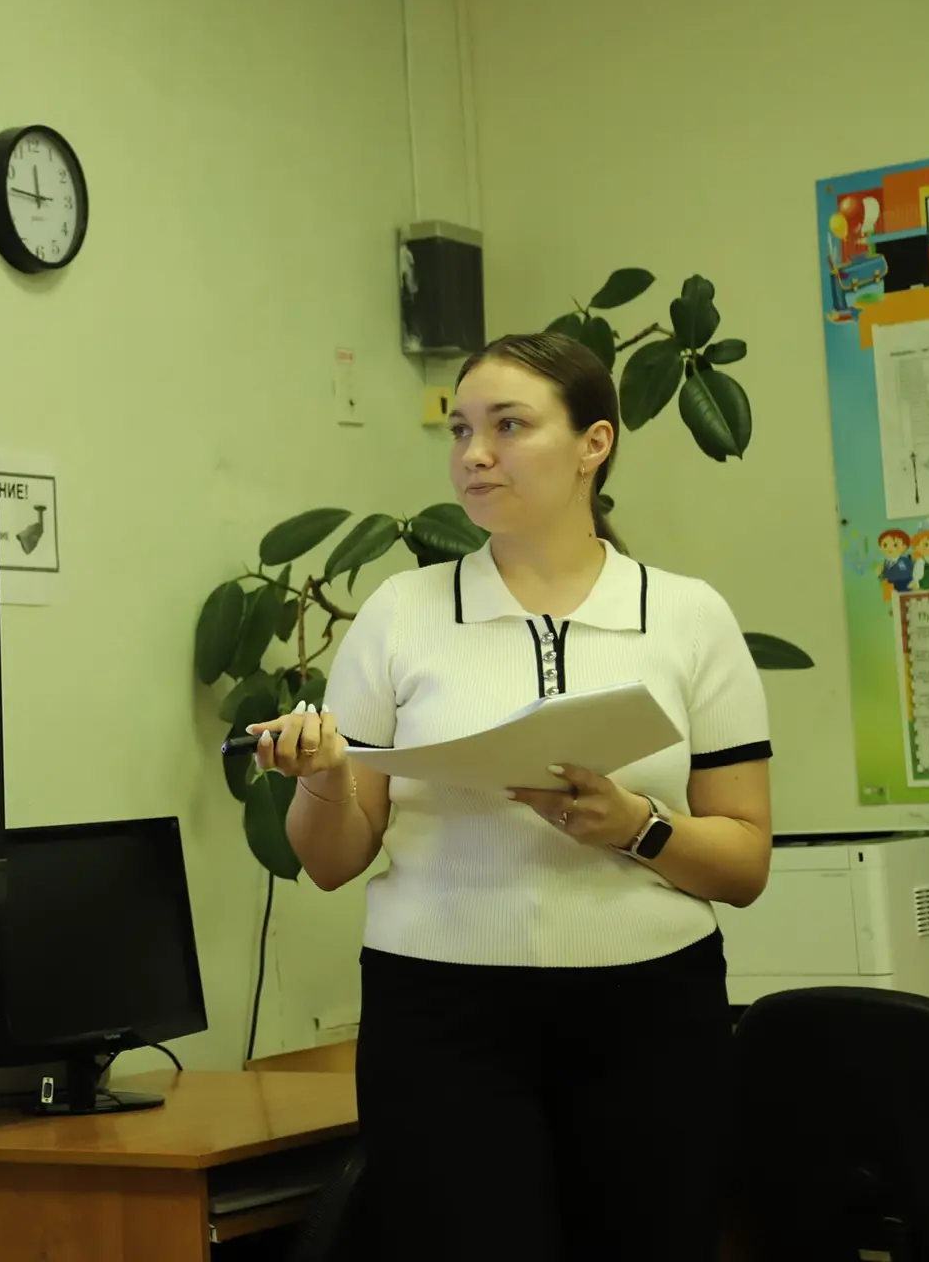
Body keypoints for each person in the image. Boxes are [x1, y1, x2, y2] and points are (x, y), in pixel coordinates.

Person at [251, 331, 772, 1262]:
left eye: (508, 426)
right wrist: (325, 774)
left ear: (594, 444)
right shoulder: (401, 612)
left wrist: (638, 828)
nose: (474, 454)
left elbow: (745, 863)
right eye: (460, 430)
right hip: (439, 1017)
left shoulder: (689, 616)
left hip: (651, 1014)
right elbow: (330, 864)